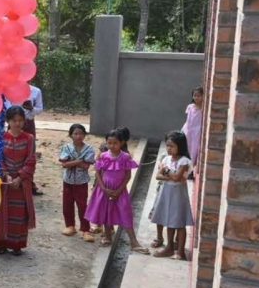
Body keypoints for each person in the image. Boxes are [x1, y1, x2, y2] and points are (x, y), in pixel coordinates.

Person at [85, 129, 149, 253]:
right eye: (109, 143)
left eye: (115, 143)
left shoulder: (125, 157)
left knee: (125, 213)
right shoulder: (103, 156)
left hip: (120, 191)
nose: (112, 146)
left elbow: (128, 176)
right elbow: (98, 172)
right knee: (106, 212)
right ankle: (107, 236)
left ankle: (133, 242)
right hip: (104, 189)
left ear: (122, 143)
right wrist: (103, 188)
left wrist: (119, 190)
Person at [0, 107, 38, 255]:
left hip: (21, 183)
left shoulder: (29, 138)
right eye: (14, 120)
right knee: (3, 212)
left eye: (20, 120)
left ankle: (16, 244)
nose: (17, 124)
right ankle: (1, 243)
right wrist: (7, 176)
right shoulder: (0, 138)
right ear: (8, 121)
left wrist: (20, 177)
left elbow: (31, 160)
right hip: (5, 182)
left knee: (19, 213)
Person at [149, 131, 194, 260]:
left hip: (178, 194)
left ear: (180, 146)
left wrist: (167, 171)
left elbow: (176, 177)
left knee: (179, 222)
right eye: (167, 146)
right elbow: (158, 176)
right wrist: (169, 175)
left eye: (172, 146)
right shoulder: (166, 159)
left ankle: (180, 251)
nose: (169, 148)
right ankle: (169, 247)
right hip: (167, 192)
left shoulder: (184, 161)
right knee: (169, 220)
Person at [59, 124, 96, 242]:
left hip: (81, 182)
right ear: (71, 135)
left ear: (84, 135)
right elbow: (64, 164)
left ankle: (86, 229)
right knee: (67, 204)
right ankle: (70, 225)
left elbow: (86, 166)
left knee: (82, 205)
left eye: (81, 133)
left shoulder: (89, 149)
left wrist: (72, 162)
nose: (78, 136)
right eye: (75, 133)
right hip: (68, 181)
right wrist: (79, 160)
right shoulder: (66, 147)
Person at [182, 86, 204, 168]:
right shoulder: (190, 107)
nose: (196, 98)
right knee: (186, 145)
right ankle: (184, 163)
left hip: (197, 131)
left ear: (203, 96)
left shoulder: (203, 109)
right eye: (195, 95)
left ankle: (191, 165)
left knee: (195, 148)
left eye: (199, 96)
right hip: (188, 129)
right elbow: (188, 119)